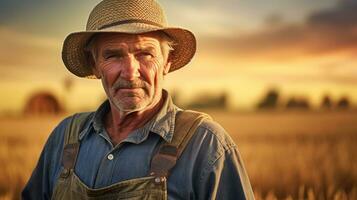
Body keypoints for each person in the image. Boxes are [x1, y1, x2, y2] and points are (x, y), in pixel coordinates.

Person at [22, 0, 254, 199]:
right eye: (113, 55)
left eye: (146, 54)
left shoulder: (207, 146)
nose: (131, 72)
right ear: (95, 65)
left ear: (167, 61)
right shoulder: (64, 137)